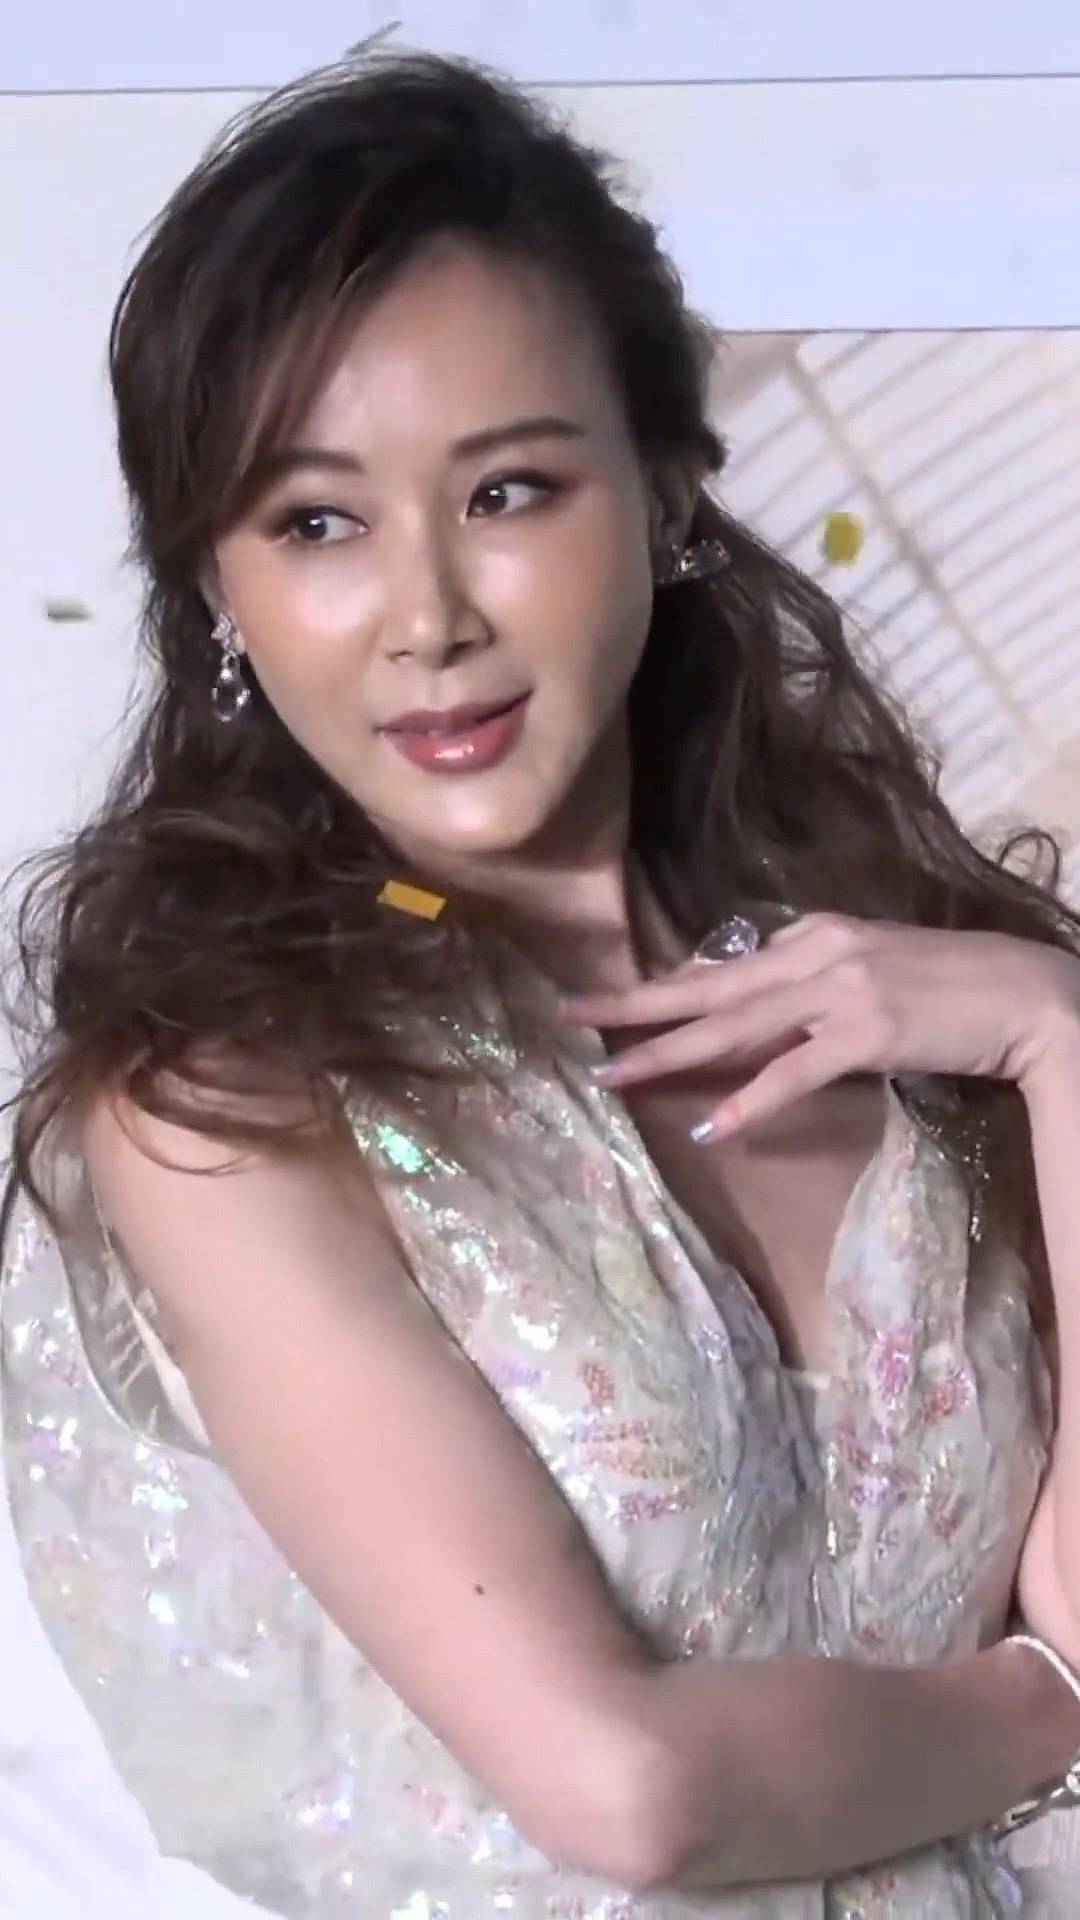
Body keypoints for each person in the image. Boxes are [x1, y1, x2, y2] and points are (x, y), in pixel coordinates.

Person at [4, 41, 1080, 1917]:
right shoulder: (221, 1111)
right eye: (316, 522)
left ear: (663, 492)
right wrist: (1052, 1707)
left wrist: (1059, 1038)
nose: (428, 616)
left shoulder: (923, 1042)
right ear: (221, 593)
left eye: (508, 490)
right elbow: (630, 1791)